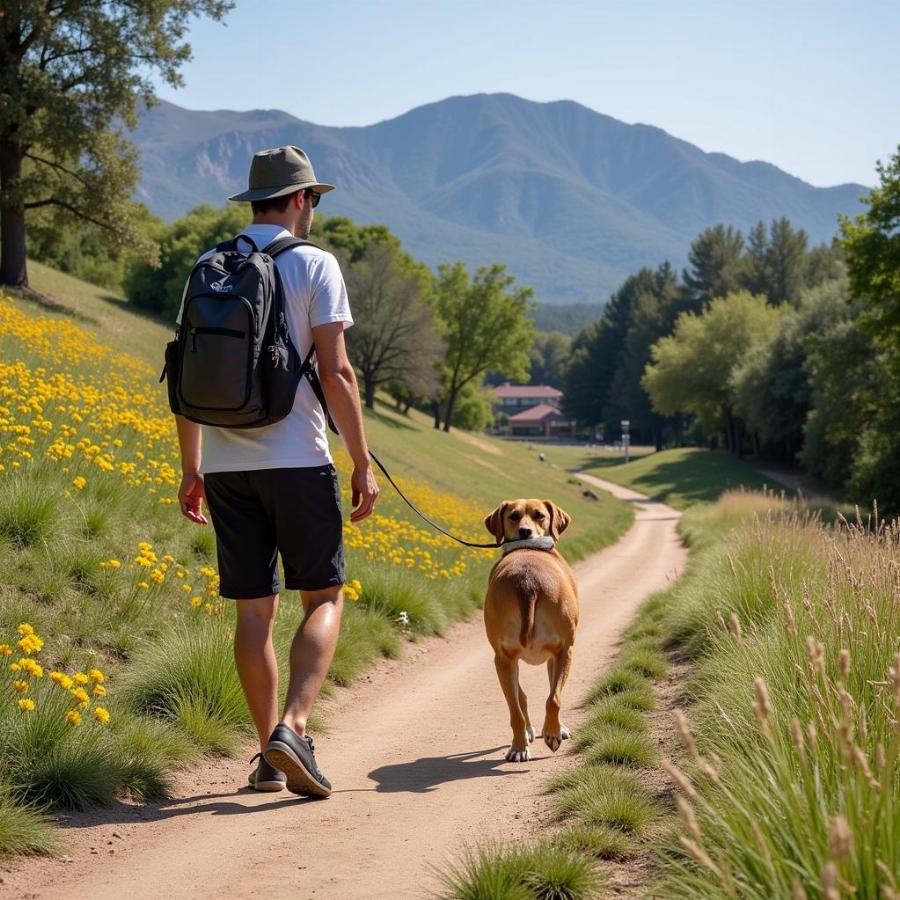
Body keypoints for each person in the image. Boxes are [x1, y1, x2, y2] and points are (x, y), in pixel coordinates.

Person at [173, 145, 379, 798]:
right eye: (312, 199)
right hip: (299, 461)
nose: (313, 210)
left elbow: (184, 375)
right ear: (297, 201)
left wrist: (192, 467)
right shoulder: (316, 264)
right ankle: (294, 727)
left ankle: (266, 756)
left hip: (228, 467)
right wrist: (363, 463)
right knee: (323, 596)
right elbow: (339, 372)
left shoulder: (209, 266)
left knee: (253, 613)